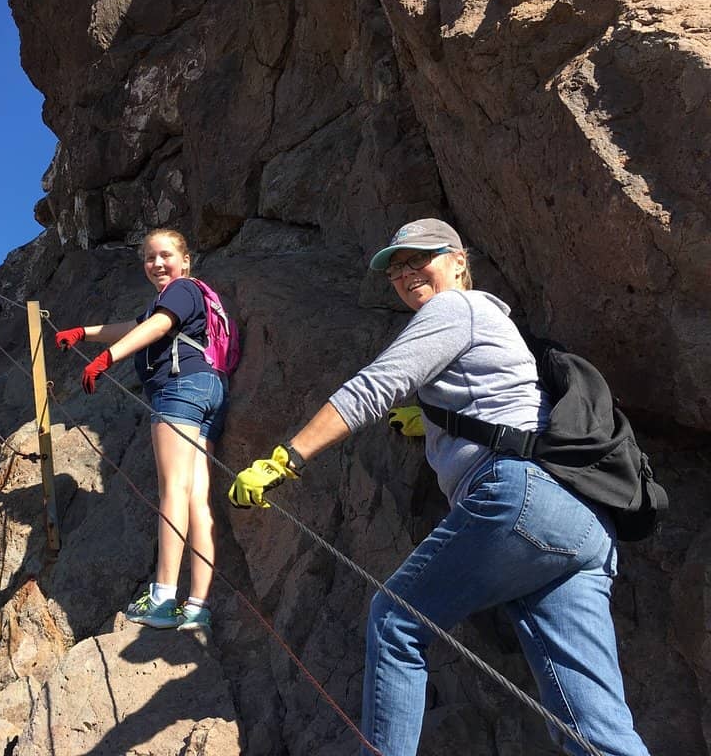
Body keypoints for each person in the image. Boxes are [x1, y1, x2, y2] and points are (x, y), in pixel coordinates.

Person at [228, 219, 649, 756]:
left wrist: (286, 458)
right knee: (597, 731)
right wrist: (432, 421)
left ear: (458, 261)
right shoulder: (497, 326)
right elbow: (501, 405)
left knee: (396, 623)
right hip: (583, 525)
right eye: (395, 268)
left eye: (418, 258)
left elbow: (374, 387)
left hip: (521, 502)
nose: (406, 273)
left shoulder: (454, 308)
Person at [55, 229, 229, 631]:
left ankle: (163, 598)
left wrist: (107, 359)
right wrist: (84, 332)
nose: (157, 264)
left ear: (185, 260)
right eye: (150, 258)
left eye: (165, 255)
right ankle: (197, 606)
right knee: (197, 499)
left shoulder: (181, 290)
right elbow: (136, 324)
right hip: (210, 388)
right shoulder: (189, 294)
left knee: (174, 491)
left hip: (179, 390)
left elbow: (157, 326)